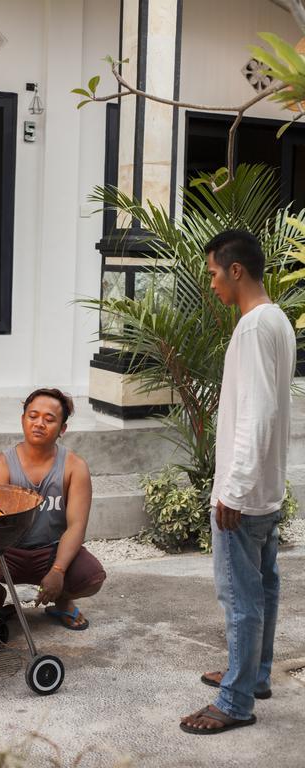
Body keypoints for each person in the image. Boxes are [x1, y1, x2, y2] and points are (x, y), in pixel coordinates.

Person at [180, 230, 296, 735]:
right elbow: (269, 411)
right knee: (264, 589)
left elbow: (257, 415)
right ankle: (254, 675)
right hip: (266, 490)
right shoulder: (278, 320)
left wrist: (233, 488)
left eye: (211, 273)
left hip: (245, 494)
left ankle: (235, 700)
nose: (210, 284)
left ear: (236, 270)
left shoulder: (252, 328)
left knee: (241, 597)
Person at [0, 388, 106, 630]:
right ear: (23, 420)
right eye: (33, 416)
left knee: (92, 577)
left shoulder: (74, 467)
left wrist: (58, 569)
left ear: (62, 429)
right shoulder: (2, 465)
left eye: (49, 419)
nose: (39, 424)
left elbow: (76, 525)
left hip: (51, 551)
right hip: (7, 552)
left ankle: (61, 602)